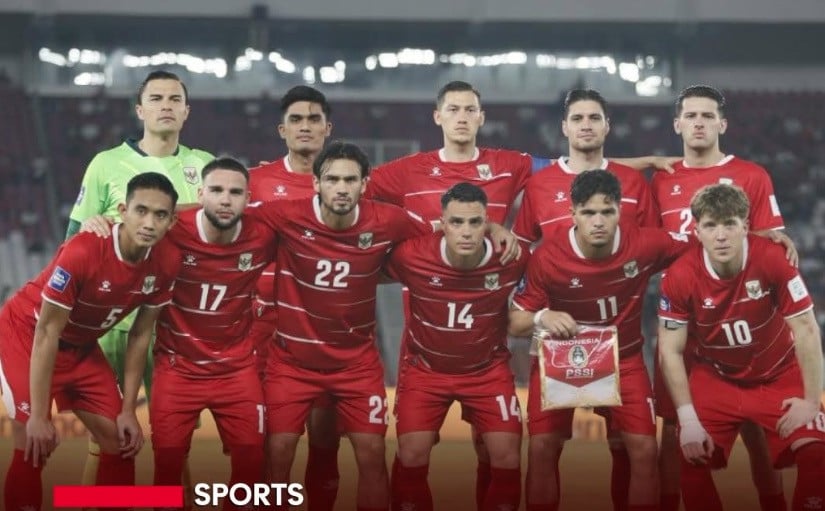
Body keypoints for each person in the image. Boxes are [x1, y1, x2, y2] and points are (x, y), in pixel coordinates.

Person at [509, 169, 692, 511]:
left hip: (624, 359)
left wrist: (762, 238)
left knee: (644, 449)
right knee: (542, 448)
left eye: (607, 212)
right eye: (589, 212)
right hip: (561, 358)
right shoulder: (547, 257)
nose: (598, 221)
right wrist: (541, 316)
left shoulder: (646, 243)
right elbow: (514, 322)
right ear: (573, 213)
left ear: (620, 210)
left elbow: (704, 246)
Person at [512, 87, 660, 511]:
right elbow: (520, 251)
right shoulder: (540, 185)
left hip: (620, 340)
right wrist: (533, 311)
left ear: (607, 126)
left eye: (595, 118)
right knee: (544, 447)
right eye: (578, 118)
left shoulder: (634, 183)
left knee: (628, 448)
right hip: (557, 341)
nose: (586, 126)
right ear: (564, 127)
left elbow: (651, 249)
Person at [66, 69, 213, 493]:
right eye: (156, 98)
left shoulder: (204, 166)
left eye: (174, 99)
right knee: (107, 437)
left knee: (174, 443)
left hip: (178, 323)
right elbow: (72, 242)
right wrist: (89, 226)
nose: (166, 105)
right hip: (115, 323)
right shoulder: (106, 164)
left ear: (186, 111)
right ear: (139, 110)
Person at [650, 84, 795, 511]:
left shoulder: (752, 176)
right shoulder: (661, 179)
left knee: (752, 424)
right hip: (681, 318)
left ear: (723, 124)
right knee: (673, 426)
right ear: (677, 124)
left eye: (707, 116)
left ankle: (774, 503)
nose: (699, 123)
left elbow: (771, 243)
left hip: (737, 319)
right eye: (691, 116)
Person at [0, 173, 181, 511]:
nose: (149, 223)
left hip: (80, 346)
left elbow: (141, 334)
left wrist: (128, 410)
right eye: (141, 211)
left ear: (172, 221)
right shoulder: (85, 250)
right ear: (123, 211)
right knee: (33, 444)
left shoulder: (167, 262)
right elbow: (46, 332)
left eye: (160, 215)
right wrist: (39, 416)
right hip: (27, 335)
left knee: (120, 440)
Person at [657, 183, 825, 511]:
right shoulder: (679, 275)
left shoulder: (773, 258)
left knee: (817, 454)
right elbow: (670, 351)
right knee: (690, 458)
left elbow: (807, 330)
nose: (721, 236)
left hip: (778, 375)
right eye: (710, 226)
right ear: (696, 231)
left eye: (730, 224)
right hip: (716, 379)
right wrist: (687, 420)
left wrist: (810, 401)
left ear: (745, 227)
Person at [386, 182, 529, 511]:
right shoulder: (412, 255)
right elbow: (368, 269)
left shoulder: (512, 257)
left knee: (507, 456)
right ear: (442, 224)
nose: (466, 231)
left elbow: (545, 281)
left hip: (487, 371)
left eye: (475, 222)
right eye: (456, 222)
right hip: (426, 371)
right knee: (411, 454)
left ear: (487, 224)